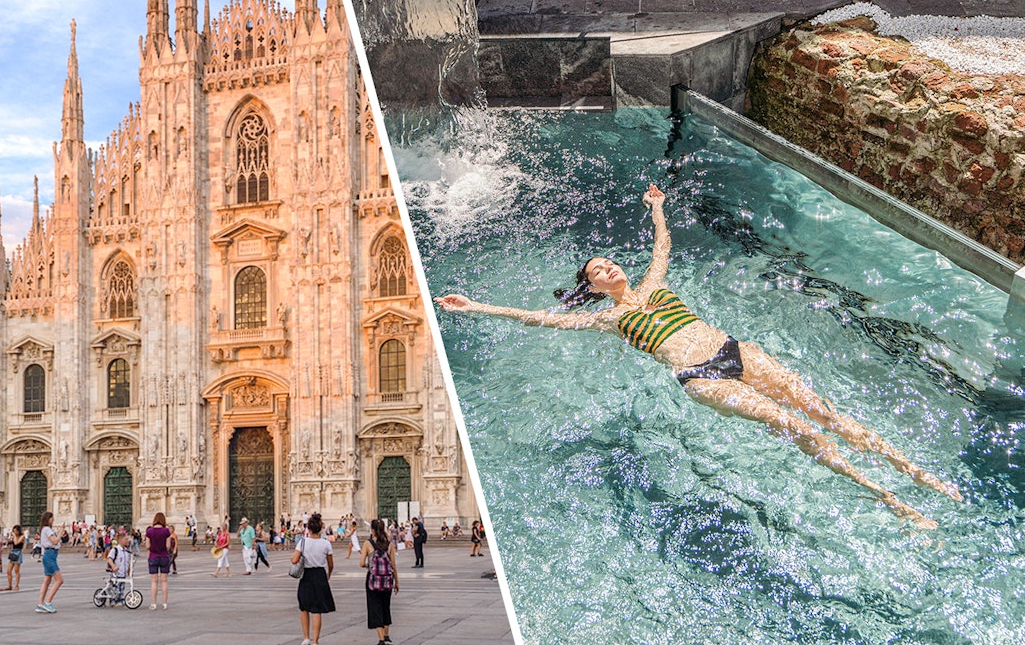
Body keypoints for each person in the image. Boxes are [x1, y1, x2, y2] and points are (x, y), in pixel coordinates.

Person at [436, 183, 962, 529]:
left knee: (824, 412)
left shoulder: (653, 280)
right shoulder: (604, 317)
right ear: (592, 288)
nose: (608, 268)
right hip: (698, 375)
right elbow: (540, 318)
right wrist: (476, 305)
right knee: (793, 425)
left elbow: (663, 247)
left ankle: (913, 472)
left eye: (609, 262)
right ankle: (885, 495)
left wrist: (658, 209)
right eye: (597, 270)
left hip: (733, 349)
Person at [292, 513, 335, 645]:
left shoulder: (302, 542)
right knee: (317, 609)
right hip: (320, 575)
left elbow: (294, 560)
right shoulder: (326, 544)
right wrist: (329, 574)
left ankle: (306, 638)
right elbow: (331, 564)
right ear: (320, 529)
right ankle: (316, 641)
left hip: (307, 576)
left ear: (308, 529)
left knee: (304, 607)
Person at [361, 518, 399, 645]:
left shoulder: (368, 543)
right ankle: (387, 635)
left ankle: (381, 639)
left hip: (373, 581)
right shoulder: (389, 544)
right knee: (385, 606)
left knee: (375, 607)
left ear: (372, 530)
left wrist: (370, 565)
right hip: (387, 581)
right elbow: (393, 565)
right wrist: (397, 583)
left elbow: (361, 563)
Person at [35, 511, 63, 613]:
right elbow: (54, 541)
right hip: (50, 555)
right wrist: (60, 532)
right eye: (52, 518)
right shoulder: (47, 529)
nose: (53, 520)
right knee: (59, 580)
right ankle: (48, 602)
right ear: (48, 519)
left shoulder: (45, 530)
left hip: (49, 555)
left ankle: (40, 604)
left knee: (47, 581)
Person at [144, 512, 173, 610]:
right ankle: (164, 603)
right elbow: (168, 546)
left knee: (154, 581)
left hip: (153, 557)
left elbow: (147, 546)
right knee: (164, 581)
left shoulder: (150, 531)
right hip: (164, 556)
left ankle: (154, 603)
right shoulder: (166, 531)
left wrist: (153, 547)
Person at [105, 532, 132, 604]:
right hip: (115, 573)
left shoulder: (126, 551)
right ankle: (114, 600)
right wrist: (113, 566)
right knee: (115, 587)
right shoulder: (115, 550)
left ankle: (120, 599)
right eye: (126, 539)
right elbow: (109, 558)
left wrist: (129, 569)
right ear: (120, 540)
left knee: (122, 587)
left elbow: (127, 561)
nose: (127, 541)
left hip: (123, 573)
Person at [6, 525, 25, 591]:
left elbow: (16, 543)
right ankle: (9, 585)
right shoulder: (13, 537)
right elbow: (10, 543)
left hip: (18, 552)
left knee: (16, 570)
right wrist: (8, 540)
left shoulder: (22, 536)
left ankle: (17, 585)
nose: (15, 532)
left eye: (16, 531)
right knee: (8, 571)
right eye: (13, 531)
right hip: (13, 552)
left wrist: (14, 536)